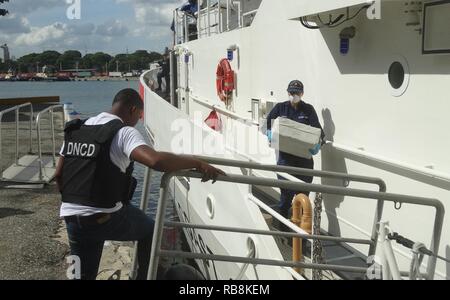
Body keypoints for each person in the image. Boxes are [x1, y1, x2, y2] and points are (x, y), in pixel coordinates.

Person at [55, 88, 225, 280]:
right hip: (105, 217)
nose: (138, 121)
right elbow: (156, 161)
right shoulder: (123, 132)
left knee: (81, 275)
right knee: (150, 231)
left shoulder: (78, 129)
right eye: (139, 116)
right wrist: (197, 163)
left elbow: (59, 174)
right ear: (133, 109)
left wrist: (77, 203)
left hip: (72, 217)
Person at [266, 80, 325, 219]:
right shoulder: (280, 108)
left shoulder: (308, 110)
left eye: (297, 93)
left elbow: (319, 133)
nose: (294, 95)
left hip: (304, 161)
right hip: (286, 160)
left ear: (302, 94)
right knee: (285, 197)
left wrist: (317, 146)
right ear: (288, 93)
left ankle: (301, 233)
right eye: (292, 93)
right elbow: (267, 124)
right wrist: (270, 134)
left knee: (303, 197)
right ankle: (283, 225)